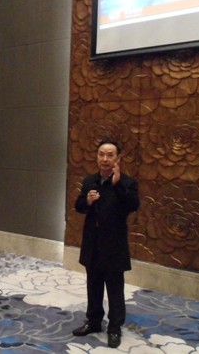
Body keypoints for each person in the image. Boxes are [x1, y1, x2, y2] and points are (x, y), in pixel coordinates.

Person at [72, 139, 140, 349]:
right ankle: (93, 321)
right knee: (93, 285)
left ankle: (114, 328)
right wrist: (87, 201)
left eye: (110, 155)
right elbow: (79, 206)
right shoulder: (90, 181)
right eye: (101, 154)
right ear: (97, 157)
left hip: (114, 245)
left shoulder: (127, 183)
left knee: (115, 288)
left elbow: (132, 205)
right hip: (93, 243)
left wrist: (117, 184)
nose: (105, 159)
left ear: (118, 158)